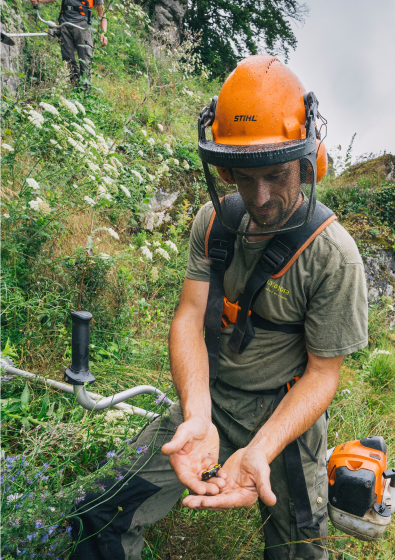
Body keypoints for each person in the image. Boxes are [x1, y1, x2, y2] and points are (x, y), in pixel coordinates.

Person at [70, 55, 368, 559]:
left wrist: (261, 449)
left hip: (285, 418)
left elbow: (322, 374)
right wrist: (197, 412)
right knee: (101, 508)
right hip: (211, 403)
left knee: (302, 548)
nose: (261, 196)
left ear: (305, 160)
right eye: (243, 177)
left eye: (276, 175)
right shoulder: (213, 224)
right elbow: (189, 316)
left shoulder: (332, 255)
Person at [30, 0, 107, 89]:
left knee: (85, 60)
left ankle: (85, 92)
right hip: (65, 23)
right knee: (67, 59)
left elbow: (102, 12)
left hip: (83, 25)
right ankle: (74, 87)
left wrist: (103, 32)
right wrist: (38, 1)